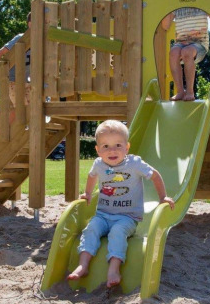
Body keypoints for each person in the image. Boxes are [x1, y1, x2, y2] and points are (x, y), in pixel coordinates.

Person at [67, 120, 175, 288]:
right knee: (91, 229)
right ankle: (83, 265)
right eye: (105, 146)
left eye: (118, 145)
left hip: (127, 217)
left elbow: (155, 175)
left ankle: (114, 268)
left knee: (117, 233)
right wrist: (87, 193)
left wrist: (163, 197)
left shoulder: (134, 164)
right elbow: (91, 176)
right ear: (98, 150)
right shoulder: (99, 164)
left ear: (127, 147)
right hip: (102, 215)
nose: (112, 151)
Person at [160, 0, 210, 101]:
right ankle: (180, 91)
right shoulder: (177, 4)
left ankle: (190, 91)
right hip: (181, 42)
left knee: (186, 52)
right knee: (173, 52)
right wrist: (169, 4)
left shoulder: (202, 1)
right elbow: (165, 25)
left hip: (199, 44)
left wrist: (208, 1)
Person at [0, 12, 32, 130]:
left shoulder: (40, 41)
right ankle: (2, 131)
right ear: (30, 24)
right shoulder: (20, 38)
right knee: (20, 106)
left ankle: (4, 129)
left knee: (29, 105)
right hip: (13, 80)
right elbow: (2, 51)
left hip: (27, 81)